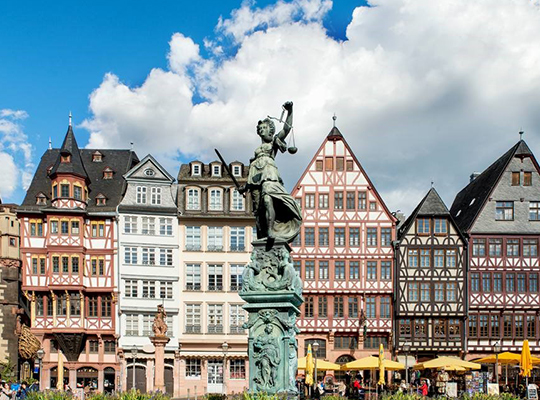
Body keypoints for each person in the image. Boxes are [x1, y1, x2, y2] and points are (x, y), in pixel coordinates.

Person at [239, 101, 302, 242]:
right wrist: (245, 187)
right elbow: (252, 175)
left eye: (264, 128)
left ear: (271, 130)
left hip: (269, 175)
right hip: (255, 180)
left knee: (268, 199)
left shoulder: (274, 142)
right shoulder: (256, 153)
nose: (261, 130)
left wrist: (290, 111)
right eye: (260, 128)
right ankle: (263, 237)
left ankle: (271, 231)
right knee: (258, 211)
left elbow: (286, 129)